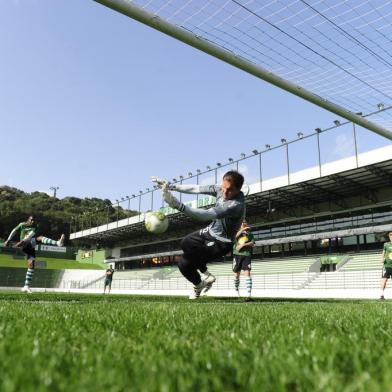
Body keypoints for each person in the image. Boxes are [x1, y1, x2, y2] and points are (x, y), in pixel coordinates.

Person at [152, 170, 246, 299]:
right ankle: (206, 275)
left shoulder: (235, 205)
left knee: (184, 264)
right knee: (185, 243)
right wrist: (170, 186)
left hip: (221, 243)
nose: (224, 192)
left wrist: (177, 205)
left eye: (229, 190)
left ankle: (197, 286)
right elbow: (196, 188)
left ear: (238, 189)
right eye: (223, 188)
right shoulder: (221, 189)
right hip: (209, 232)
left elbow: (205, 215)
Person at [4, 215, 65, 293]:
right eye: (31, 220)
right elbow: (14, 231)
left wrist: (21, 242)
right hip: (25, 245)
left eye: (34, 220)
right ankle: (58, 243)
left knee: (31, 265)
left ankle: (26, 286)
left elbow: (29, 237)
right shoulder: (22, 224)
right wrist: (8, 240)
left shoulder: (35, 227)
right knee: (40, 238)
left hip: (28, 243)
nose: (33, 221)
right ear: (28, 219)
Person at [233, 221, 255, 300]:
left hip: (247, 255)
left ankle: (249, 294)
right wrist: (242, 229)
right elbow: (235, 236)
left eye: (245, 222)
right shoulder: (236, 232)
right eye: (242, 222)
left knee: (248, 273)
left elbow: (252, 243)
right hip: (237, 255)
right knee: (236, 275)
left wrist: (243, 245)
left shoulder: (250, 234)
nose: (244, 223)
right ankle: (236, 292)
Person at [380, 232, 392, 300]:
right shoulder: (386, 244)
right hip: (387, 265)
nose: (391, 237)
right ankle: (381, 295)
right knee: (384, 280)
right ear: (389, 237)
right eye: (390, 236)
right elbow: (383, 253)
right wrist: (381, 258)